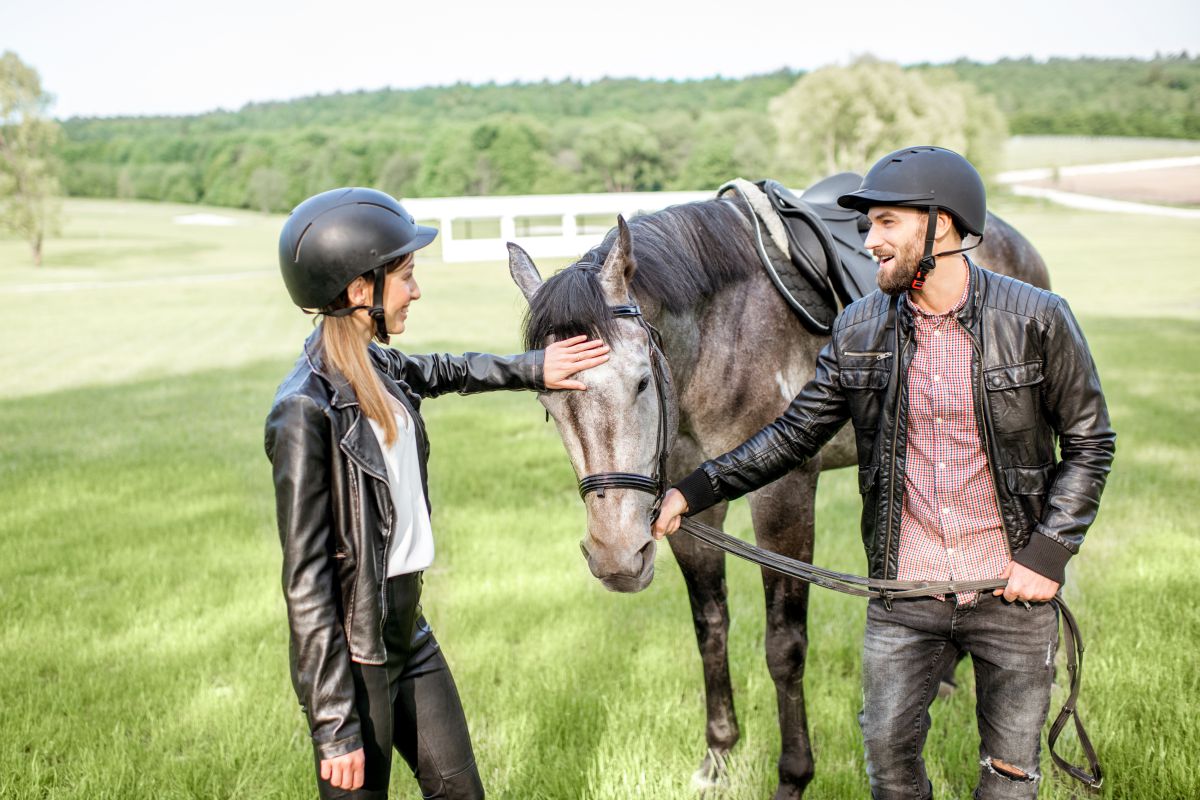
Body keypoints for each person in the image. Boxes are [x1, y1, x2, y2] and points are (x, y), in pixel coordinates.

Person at [652, 147, 1115, 799]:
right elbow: (790, 436)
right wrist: (692, 489)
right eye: (868, 226)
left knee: (1009, 778)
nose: (868, 242)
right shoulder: (858, 328)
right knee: (891, 772)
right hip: (904, 594)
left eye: (886, 223)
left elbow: (1091, 442)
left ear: (942, 226)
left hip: (1009, 589)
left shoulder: (1039, 319)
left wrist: (1048, 553)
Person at [265, 187, 609, 799]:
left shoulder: (380, 368)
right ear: (358, 290)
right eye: (406, 275)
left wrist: (535, 367)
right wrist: (334, 724)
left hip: (410, 633)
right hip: (356, 663)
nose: (416, 291)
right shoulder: (303, 410)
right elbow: (306, 582)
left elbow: (449, 370)